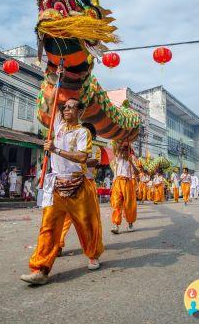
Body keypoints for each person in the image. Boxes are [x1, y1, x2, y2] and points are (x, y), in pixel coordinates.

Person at [20, 98, 104, 285]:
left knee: (87, 224)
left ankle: (93, 255)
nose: (65, 109)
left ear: (80, 112)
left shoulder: (83, 133)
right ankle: (41, 269)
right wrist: (57, 76)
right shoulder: (57, 125)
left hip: (79, 185)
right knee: (48, 227)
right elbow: (55, 97)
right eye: (64, 107)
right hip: (56, 183)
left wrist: (55, 149)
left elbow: (82, 157)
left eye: (71, 107)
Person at [58, 122, 102, 257]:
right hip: (71, 182)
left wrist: (78, 159)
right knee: (65, 217)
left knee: (88, 218)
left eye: (87, 132)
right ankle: (58, 244)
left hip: (88, 184)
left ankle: (92, 251)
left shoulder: (96, 149)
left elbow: (95, 162)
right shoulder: (71, 143)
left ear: (92, 136)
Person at [110, 141, 138, 234]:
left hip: (128, 183)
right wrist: (120, 141)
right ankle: (116, 225)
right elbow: (116, 149)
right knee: (117, 204)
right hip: (118, 182)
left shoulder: (132, 159)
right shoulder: (118, 158)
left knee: (129, 204)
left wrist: (132, 163)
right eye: (123, 149)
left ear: (129, 151)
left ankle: (130, 223)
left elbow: (137, 173)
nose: (124, 151)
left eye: (126, 150)